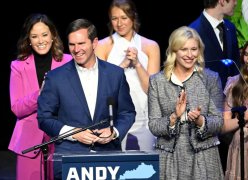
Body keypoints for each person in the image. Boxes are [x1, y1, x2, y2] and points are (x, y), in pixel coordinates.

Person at [37, 18, 136, 179]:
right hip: (69, 160)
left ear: (94, 42)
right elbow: (44, 118)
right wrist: (73, 133)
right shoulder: (55, 78)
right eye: (72, 45)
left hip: (108, 159)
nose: (76, 50)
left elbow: (127, 113)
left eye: (81, 43)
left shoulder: (115, 74)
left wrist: (114, 132)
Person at [148, 26, 224, 179]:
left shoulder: (210, 78)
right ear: (174, 51)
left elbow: (219, 121)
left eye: (194, 49)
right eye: (184, 49)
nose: (190, 55)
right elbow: (154, 125)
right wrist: (174, 116)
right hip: (170, 158)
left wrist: (200, 120)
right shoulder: (157, 81)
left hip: (204, 157)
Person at [8, 13, 72, 180]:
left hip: (61, 137)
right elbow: (17, 108)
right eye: (34, 36)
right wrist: (40, 94)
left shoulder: (67, 61)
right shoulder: (18, 66)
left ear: (53, 36)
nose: (40, 40)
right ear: (28, 39)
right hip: (29, 140)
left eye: (44, 35)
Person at [95, 0, 160, 151]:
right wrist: (123, 64)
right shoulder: (103, 46)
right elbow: (101, 87)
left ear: (133, 17)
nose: (119, 23)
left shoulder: (150, 46)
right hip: (114, 116)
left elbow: (152, 90)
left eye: (124, 18)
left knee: (147, 166)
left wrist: (137, 63)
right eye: (114, 18)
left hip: (144, 115)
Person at [189, 0, 240, 172]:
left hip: (229, 116)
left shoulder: (230, 28)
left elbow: (235, 70)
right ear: (222, 1)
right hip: (204, 117)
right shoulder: (193, 31)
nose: (236, 3)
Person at [222, 41, 248, 180]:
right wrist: (244, 117)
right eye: (246, 54)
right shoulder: (234, 83)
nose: (247, 59)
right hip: (242, 146)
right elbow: (224, 125)